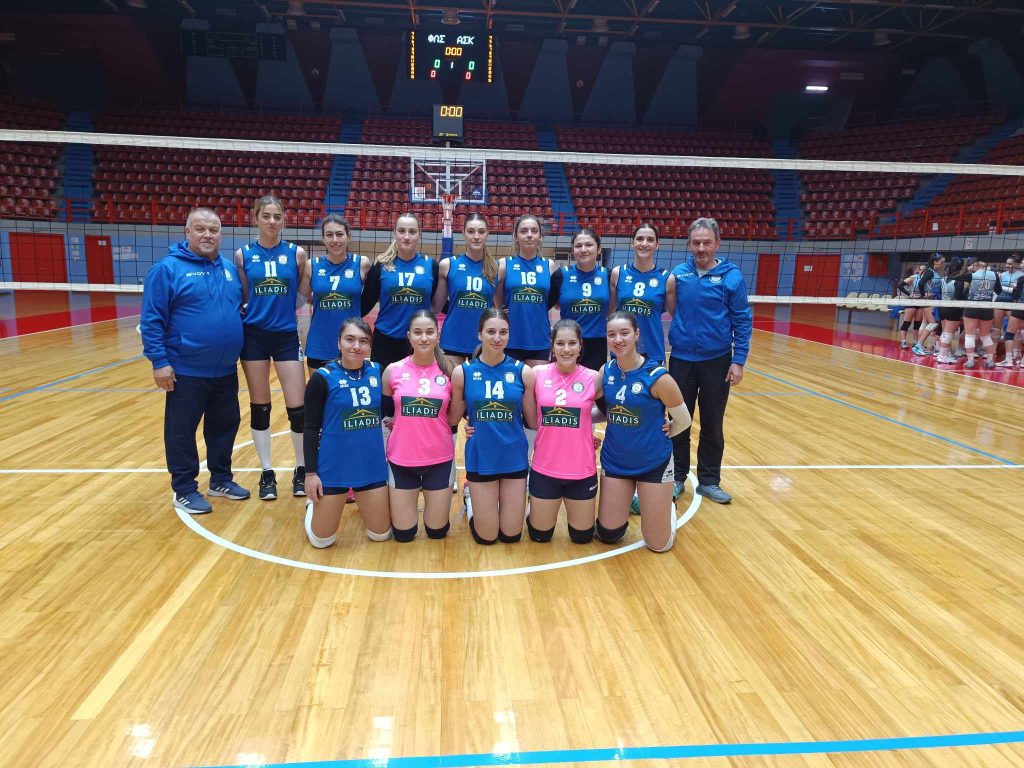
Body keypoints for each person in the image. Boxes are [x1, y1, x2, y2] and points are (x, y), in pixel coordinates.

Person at [141, 208, 249, 514]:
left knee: (224, 425)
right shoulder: (167, 269)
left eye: (213, 230)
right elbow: (151, 320)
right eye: (200, 229)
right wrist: (159, 361)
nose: (207, 235)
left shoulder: (229, 269)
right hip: (186, 369)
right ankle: (185, 489)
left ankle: (221, 479)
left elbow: (236, 309)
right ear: (187, 232)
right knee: (181, 431)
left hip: (225, 369)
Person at [668, 217, 752, 505]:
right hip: (681, 359)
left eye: (706, 242)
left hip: (717, 360)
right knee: (678, 420)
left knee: (712, 423)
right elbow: (672, 309)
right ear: (688, 244)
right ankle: (676, 477)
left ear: (717, 243)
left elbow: (742, 320)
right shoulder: (679, 274)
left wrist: (739, 360)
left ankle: (709, 481)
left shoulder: (732, 276)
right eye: (696, 243)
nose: (701, 248)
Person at [235, 195, 309, 502]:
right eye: (266, 216)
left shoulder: (296, 254)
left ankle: (301, 468)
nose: (271, 221)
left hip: (285, 335)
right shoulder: (243, 255)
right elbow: (244, 294)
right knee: (260, 405)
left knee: (298, 408)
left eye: (277, 216)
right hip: (253, 335)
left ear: (284, 220)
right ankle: (267, 471)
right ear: (255, 219)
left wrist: (288, 310)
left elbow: (302, 293)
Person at [597, 312, 689, 552]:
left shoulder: (657, 377)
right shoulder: (606, 371)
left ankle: (667, 506)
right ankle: (633, 501)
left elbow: (684, 420)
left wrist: (669, 429)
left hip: (653, 463)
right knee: (609, 535)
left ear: (636, 334)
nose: (618, 339)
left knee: (659, 545)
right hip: (616, 462)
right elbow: (606, 412)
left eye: (624, 333)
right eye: (612, 334)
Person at [449, 308, 537, 545]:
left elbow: (533, 421)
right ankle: (470, 499)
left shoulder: (523, 372)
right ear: (479, 334)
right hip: (481, 455)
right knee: (486, 537)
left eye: (503, 332)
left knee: (511, 536)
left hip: (513, 454)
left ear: (509, 334)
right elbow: (452, 418)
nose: (497, 338)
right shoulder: (463, 372)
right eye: (490, 332)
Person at [302, 317, 391, 548]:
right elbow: (310, 428)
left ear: (369, 345)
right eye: (350, 339)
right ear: (338, 343)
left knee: (380, 535)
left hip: (369, 465)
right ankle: (312, 507)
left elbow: (390, 408)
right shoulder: (322, 378)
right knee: (322, 541)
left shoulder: (378, 372)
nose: (356, 346)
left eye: (363, 341)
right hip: (333, 467)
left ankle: (367, 503)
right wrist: (311, 474)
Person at [382, 310, 455, 541]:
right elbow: (385, 413)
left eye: (429, 332)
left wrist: (471, 427)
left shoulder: (451, 371)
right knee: (404, 535)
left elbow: (458, 416)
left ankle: (469, 503)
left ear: (437, 335)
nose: (424, 338)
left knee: (437, 532)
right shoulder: (393, 370)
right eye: (418, 332)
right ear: (409, 336)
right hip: (402, 460)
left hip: (439, 459)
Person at [527, 319, 601, 543]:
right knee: (540, 536)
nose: (566, 349)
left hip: (581, 471)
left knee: (582, 538)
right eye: (560, 343)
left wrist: (584, 424)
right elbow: (520, 411)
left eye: (572, 343)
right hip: (545, 469)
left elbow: (611, 410)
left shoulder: (594, 378)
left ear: (580, 345)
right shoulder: (537, 374)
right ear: (552, 346)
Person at [360, 213, 440, 417]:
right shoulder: (381, 265)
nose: (406, 236)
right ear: (394, 233)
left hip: (417, 343)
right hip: (385, 341)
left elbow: (441, 302)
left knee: (414, 400)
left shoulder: (430, 265)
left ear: (419, 234)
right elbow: (364, 304)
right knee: (385, 404)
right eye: (402, 231)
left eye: (412, 231)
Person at [300, 215, 371, 370]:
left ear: (348, 236)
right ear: (323, 238)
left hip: (353, 344)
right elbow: (300, 299)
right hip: (320, 344)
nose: (335, 240)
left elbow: (373, 296)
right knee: (320, 386)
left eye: (339, 234)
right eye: (329, 235)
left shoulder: (362, 263)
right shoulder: (312, 265)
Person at [494, 213, 557, 368]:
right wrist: (500, 310)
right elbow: (497, 297)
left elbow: (551, 302)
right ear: (516, 236)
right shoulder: (504, 264)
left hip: (539, 338)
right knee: (510, 383)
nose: (529, 235)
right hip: (510, 338)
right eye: (524, 231)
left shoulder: (549, 265)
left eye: (534, 231)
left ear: (540, 236)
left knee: (536, 383)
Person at [609, 223, 676, 364]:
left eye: (650, 240)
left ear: (657, 245)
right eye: (639, 239)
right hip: (622, 349)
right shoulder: (618, 273)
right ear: (632, 243)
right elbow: (610, 312)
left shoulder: (666, 278)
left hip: (653, 351)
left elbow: (675, 315)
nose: (644, 244)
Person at [550, 229, 611, 371]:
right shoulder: (560, 275)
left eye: (589, 245)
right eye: (578, 246)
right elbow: (546, 304)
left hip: (597, 344)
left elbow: (614, 308)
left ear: (599, 248)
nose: (583, 249)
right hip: (567, 343)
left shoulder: (608, 275)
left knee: (594, 383)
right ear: (573, 250)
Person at [955, 258, 1001, 369]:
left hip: (972, 307)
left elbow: (955, 277)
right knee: (985, 336)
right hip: (986, 308)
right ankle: (990, 361)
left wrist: (968, 269)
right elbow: (999, 291)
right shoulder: (993, 275)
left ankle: (970, 361)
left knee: (970, 335)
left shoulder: (972, 275)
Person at [911, 254, 945, 356]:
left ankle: (920, 345)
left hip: (933, 300)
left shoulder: (934, 272)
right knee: (933, 323)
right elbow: (921, 283)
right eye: (942, 262)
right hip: (928, 301)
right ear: (935, 262)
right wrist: (923, 295)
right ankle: (918, 345)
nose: (943, 264)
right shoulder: (929, 272)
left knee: (932, 323)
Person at [935, 256, 965, 365]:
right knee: (948, 333)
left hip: (942, 307)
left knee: (945, 332)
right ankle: (943, 356)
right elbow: (958, 297)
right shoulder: (958, 281)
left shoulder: (944, 279)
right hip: (953, 308)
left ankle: (944, 354)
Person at [993, 254, 1022, 345]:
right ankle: (993, 350)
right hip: (1000, 301)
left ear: (1015, 264)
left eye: (1010, 264)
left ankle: (1014, 351)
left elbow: (1018, 291)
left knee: (1014, 329)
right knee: (996, 328)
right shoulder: (1002, 275)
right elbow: (997, 289)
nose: (1007, 265)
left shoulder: (1021, 275)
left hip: (1012, 302)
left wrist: (1007, 288)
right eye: (1006, 263)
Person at [997, 271, 1024, 367]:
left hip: (1020, 306)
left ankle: (1008, 360)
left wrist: (1015, 287)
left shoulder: (1021, 278)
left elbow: (1016, 295)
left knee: (1009, 333)